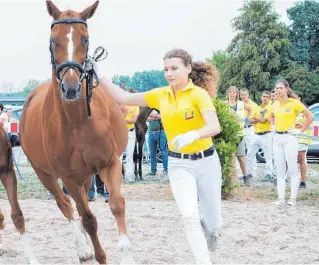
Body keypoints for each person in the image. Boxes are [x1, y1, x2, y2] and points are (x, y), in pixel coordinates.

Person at [87, 48, 222, 264]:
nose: (169, 73)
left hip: (207, 162)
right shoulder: (160, 95)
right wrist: (98, 73)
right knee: (189, 216)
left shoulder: (199, 94)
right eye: (166, 69)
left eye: (174, 68)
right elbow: (123, 96)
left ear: (188, 69)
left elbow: (214, 126)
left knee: (214, 223)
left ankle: (212, 230)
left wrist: (194, 134)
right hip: (179, 164)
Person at [270, 79, 313, 206]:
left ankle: (292, 199)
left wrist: (301, 131)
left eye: (280, 88)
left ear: (287, 89)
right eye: (276, 88)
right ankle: (281, 199)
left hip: (290, 138)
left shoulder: (294, 103)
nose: (278, 90)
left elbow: (310, 116)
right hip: (277, 138)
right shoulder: (275, 104)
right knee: (280, 170)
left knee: (293, 170)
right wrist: (273, 126)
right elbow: (271, 116)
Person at [226, 86, 252, 185]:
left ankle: (246, 177)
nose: (232, 94)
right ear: (228, 93)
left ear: (237, 94)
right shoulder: (224, 104)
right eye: (230, 92)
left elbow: (250, 109)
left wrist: (247, 119)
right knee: (230, 159)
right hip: (229, 134)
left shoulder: (241, 104)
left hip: (240, 134)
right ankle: (230, 180)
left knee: (241, 158)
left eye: (234, 92)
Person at [245, 91, 274, 182]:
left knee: (268, 155)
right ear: (261, 97)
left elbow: (262, 120)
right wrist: (257, 119)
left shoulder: (270, 108)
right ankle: (248, 172)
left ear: (269, 99)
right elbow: (250, 121)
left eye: (267, 97)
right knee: (249, 153)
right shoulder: (257, 108)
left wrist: (256, 119)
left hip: (266, 134)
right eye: (264, 96)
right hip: (256, 134)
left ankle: (269, 174)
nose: (265, 98)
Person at [293, 92, 313, 189]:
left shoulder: (304, 110)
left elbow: (308, 122)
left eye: (295, 97)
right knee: (291, 159)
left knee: (301, 158)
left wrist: (301, 127)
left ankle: (303, 181)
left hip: (302, 137)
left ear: (300, 98)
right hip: (292, 137)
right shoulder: (292, 109)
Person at [121, 88, 139, 182]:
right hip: (122, 131)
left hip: (131, 131)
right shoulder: (123, 105)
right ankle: (119, 176)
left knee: (129, 155)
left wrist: (122, 119)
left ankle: (129, 176)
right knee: (119, 155)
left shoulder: (136, 107)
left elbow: (134, 121)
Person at [146, 109, 168, 177]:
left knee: (164, 153)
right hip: (151, 133)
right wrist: (155, 117)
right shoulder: (149, 108)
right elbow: (146, 118)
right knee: (152, 153)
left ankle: (166, 170)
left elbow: (164, 115)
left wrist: (152, 117)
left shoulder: (161, 107)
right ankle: (153, 170)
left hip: (161, 133)